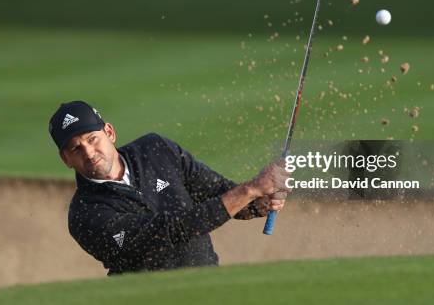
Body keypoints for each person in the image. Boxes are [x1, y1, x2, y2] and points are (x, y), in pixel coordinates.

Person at [48, 100, 289, 275]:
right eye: (75, 149)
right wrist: (249, 191)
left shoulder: (156, 150)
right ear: (66, 160)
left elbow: (220, 195)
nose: (89, 153)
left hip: (209, 287)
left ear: (109, 132)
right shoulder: (85, 214)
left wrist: (260, 203)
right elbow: (171, 230)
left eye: (92, 139)